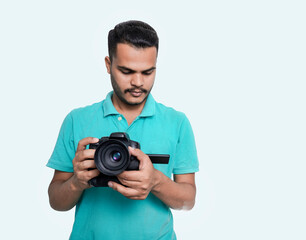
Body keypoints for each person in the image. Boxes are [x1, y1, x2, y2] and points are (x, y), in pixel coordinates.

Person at [47, 20, 199, 240]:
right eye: (126, 71)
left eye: (147, 72)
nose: (138, 82)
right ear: (108, 64)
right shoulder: (76, 120)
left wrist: (155, 181)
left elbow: (188, 201)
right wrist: (76, 183)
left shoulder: (177, 122)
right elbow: (56, 202)